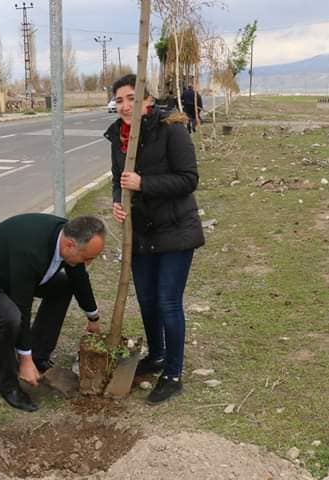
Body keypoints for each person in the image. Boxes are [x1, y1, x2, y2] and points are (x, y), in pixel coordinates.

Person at [105, 74, 205, 404]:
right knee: (147, 300)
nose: (125, 105)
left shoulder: (171, 129)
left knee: (167, 301)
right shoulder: (118, 138)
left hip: (176, 230)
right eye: (119, 100)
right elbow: (119, 180)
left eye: (132, 98)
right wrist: (118, 201)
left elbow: (188, 179)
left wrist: (143, 183)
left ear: (147, 101)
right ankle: (158, 354)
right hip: (141, 232)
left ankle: (173, 373)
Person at [0, 214, 105, 412]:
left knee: (63, 286)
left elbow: (79, 279)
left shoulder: (68, 237)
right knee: (9, 316)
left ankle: (39, 354)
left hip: (9, 270)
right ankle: (6, 383)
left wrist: (93, 318)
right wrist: (24, 359)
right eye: (87, 258)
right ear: (69, 245)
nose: (88, 263)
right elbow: (22, 305)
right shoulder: (31, 251)